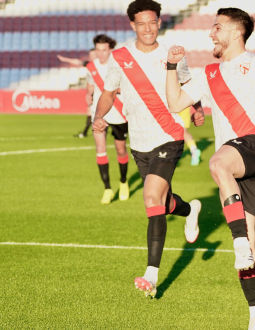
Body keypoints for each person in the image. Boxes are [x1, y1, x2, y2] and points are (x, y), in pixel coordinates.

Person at [164, 8, 255, 330]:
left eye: (216, 28)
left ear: (235, 32)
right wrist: (171, 67)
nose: (210, 34)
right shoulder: (210, 74)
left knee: (216, 162)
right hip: (239, 164)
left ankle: (239, 244)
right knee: (250, 239)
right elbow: (174, 103)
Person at [92, 0, 202, 298]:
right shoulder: (120, 57)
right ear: (132, 26)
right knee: (163, 203)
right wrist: (99, 117)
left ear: (159, 21)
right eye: (141, 23)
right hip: (139, 142)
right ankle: (191, 209)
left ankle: (151, 275)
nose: (148, 28)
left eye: (152, 22)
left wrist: (198, 108)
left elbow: (188, 83)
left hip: (169, 135)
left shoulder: (172, 54)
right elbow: (107, 92)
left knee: (151, 198)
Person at [85, 35, 129, 204]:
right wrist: (88, 95)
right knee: (100, 148)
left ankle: (123, 182)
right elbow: (90, 85)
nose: (101, 54)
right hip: (99, 113)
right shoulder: (91, 67)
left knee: (120, 150)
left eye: (104, 50)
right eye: (98, 50)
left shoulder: (118, 65)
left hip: (118, 111)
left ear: (110, 50)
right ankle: (108, 189)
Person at [58, 49, 97, 138]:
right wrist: (65, 60)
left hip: (103, 92)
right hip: (93, 92)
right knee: (90, 112)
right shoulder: (89, 64)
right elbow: (78, 62)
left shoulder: (104, 65)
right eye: (90, 55)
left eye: (94, 54)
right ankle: (85, 132)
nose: (92, 56)